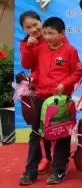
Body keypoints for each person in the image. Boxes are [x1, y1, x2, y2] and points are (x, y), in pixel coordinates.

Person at [19, 17, 82, 185]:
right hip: (40, 97)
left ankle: (59, 170)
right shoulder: (39, 48)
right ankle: (30, 172)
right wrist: (28, 48)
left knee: (61, 134)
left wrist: (64, 84)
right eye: (45, 33)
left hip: (60, 100)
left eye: (51, 33)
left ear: (62, 34)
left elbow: (76, 73)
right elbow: (28, 65)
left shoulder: (70, 51)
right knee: (36, 133)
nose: (47, 37)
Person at [18, 10, 52, 174]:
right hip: (37, 90)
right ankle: (35, 164)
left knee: (55, 127)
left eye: (35, 24)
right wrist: (29, 48)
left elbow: (61, 60)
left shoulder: (52, 36)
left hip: (55, 88)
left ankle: (56, 160)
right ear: (24, 29)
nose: (33, 29)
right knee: (37, 129)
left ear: (41, 21)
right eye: (28, 27)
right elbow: (26, 64)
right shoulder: (26, 43)